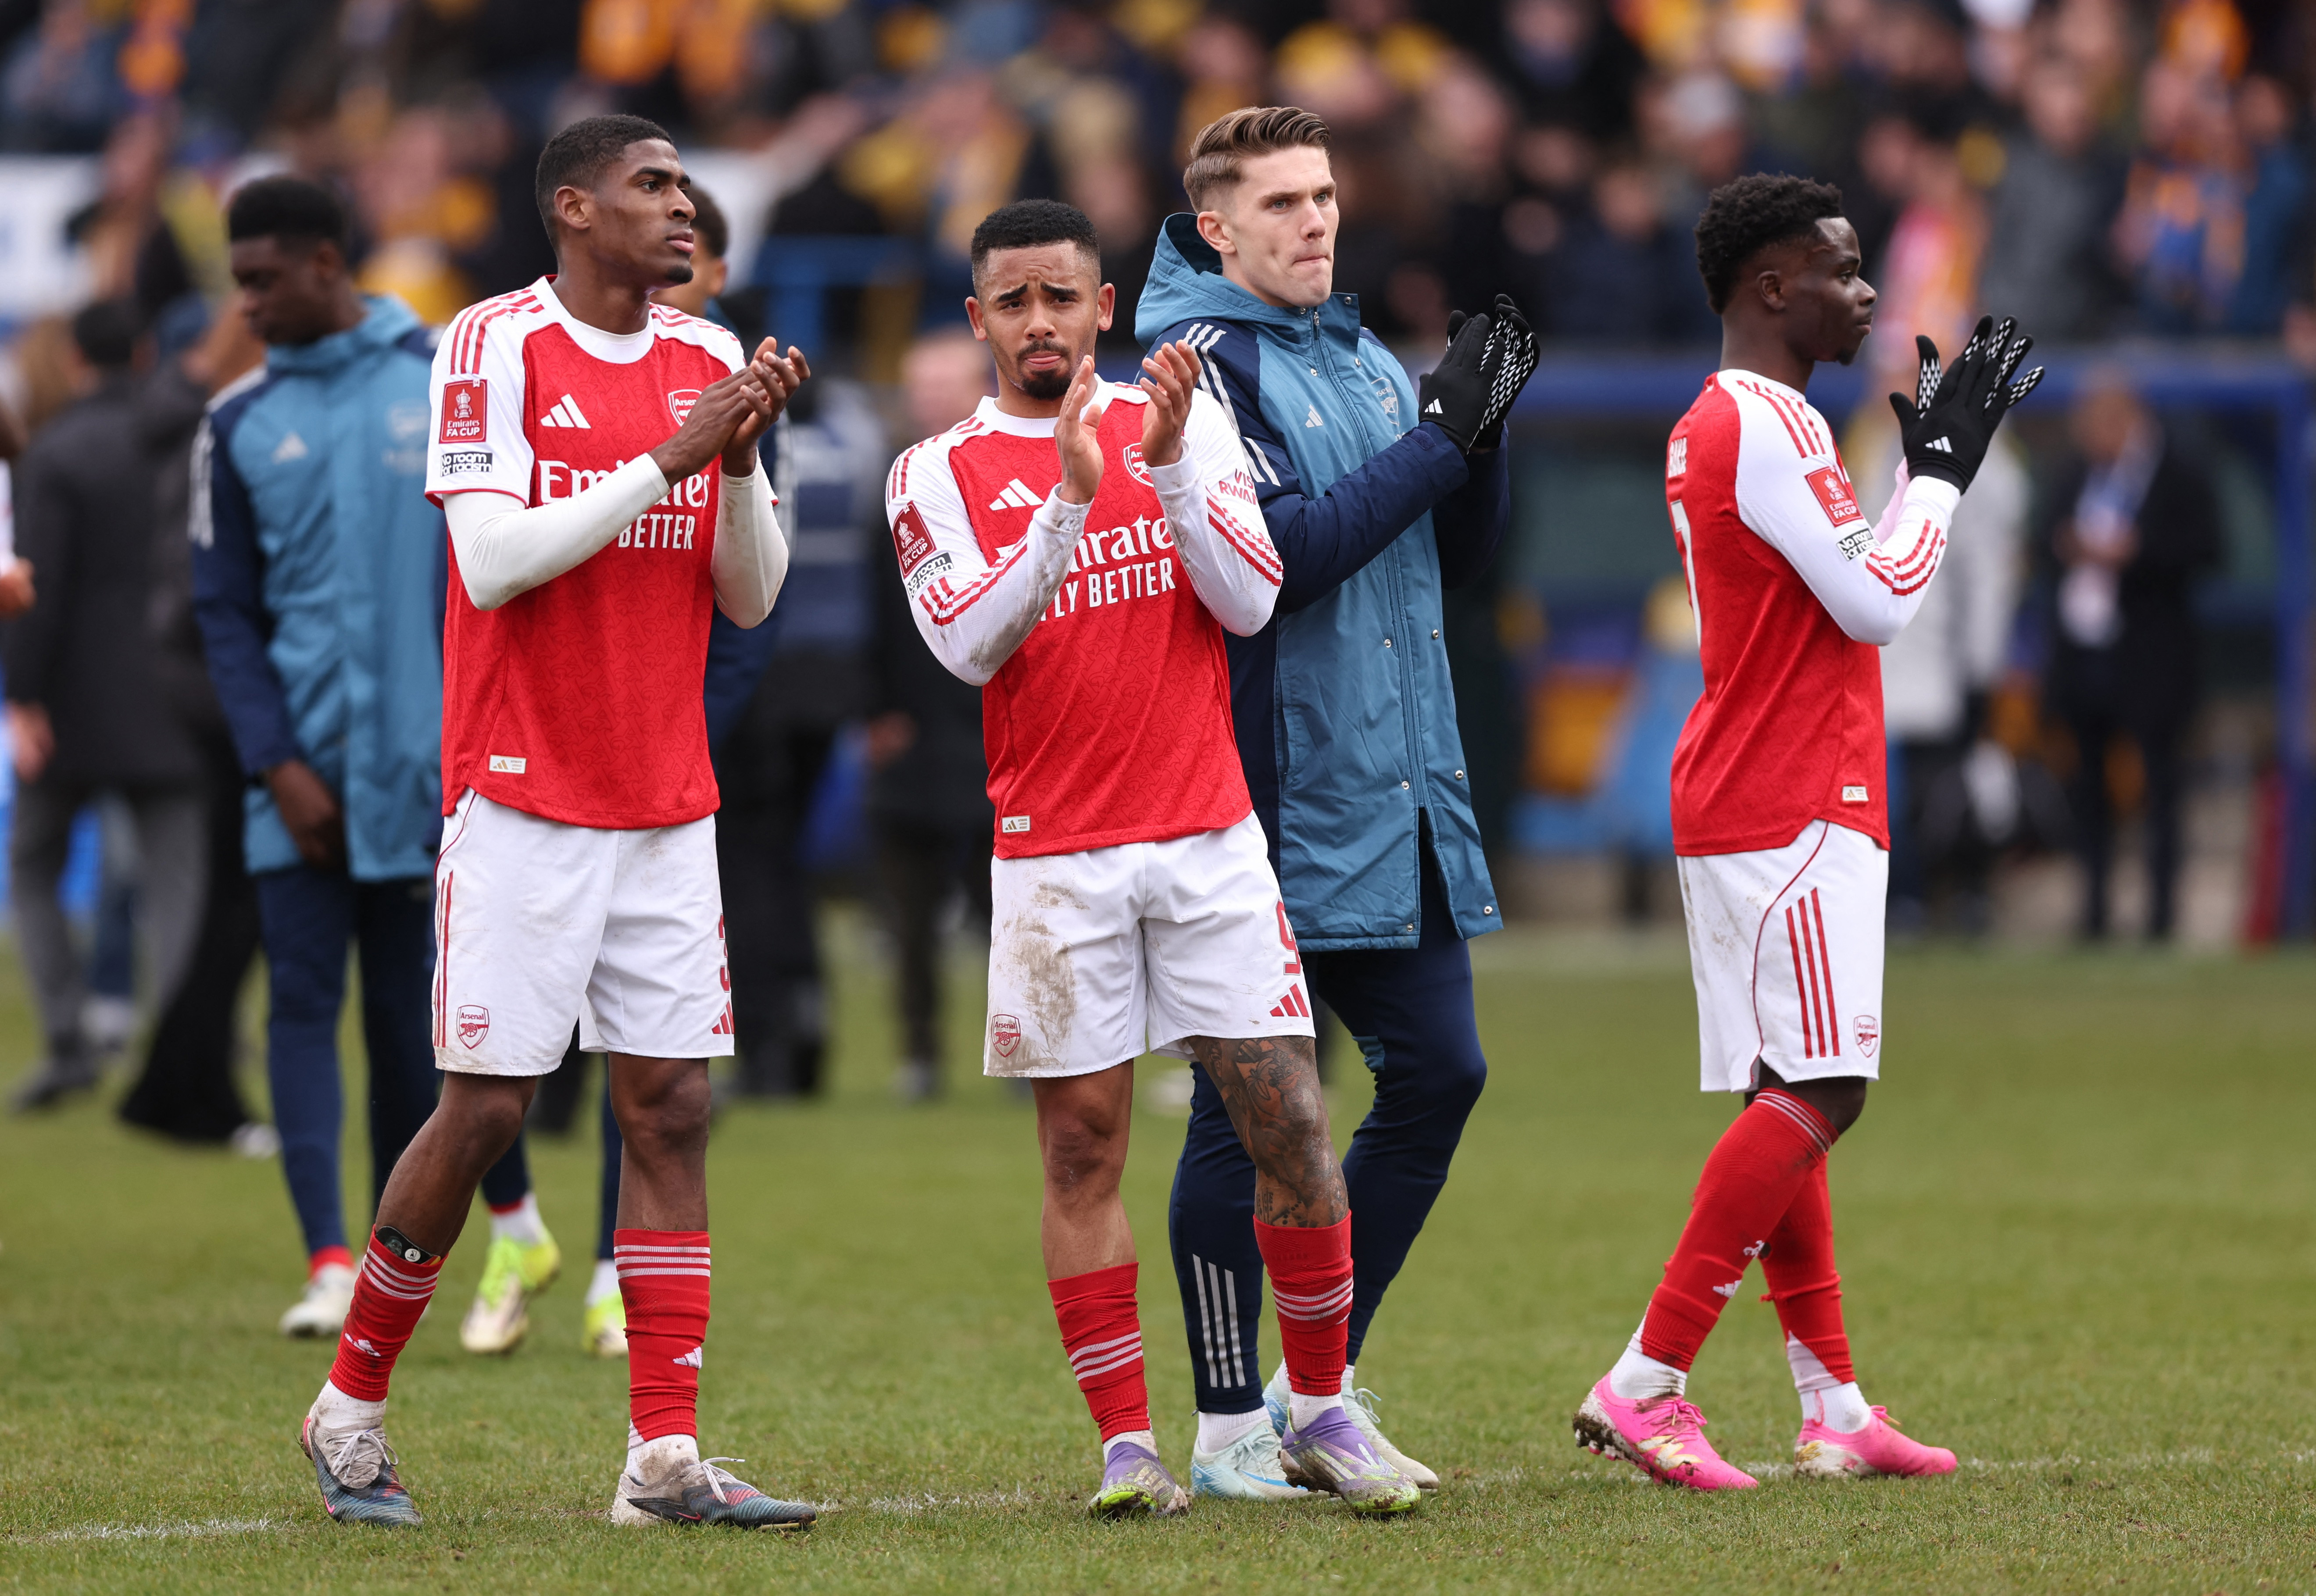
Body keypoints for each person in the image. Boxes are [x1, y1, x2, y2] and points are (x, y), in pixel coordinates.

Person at [293, 114, 808, 1532]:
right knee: (488, 1107)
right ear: (573, 208)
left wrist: (744, 459)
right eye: (651, 186)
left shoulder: (711, 364)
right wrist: (669, 460)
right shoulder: (492, 345)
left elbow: (751, 594)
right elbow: (494, 556)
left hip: (665, 799)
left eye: (687, 185)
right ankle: (347, 1408)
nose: (682, 205)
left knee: (673, 1107)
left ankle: (662, 1458)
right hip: (523, 795)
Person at [886, 197, 1417, 1518]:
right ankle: (1128, 1446)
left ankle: (1322, 1412)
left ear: (1103, 305)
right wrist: (1067, 505)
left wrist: (1171, 468)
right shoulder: (933, 472)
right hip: (1056, 862)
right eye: (1011, 302)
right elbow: (968, 646)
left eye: (1061, 296)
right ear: (978, 321)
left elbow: (1247, 600)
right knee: (1083, 1153)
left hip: (1205, 839)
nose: (1039, 322)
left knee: (1293, 1122)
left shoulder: (1183, 417)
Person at [1570, 173, 2039, 1488]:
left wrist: (1910, 479)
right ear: (1772, 286)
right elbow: (1883, 599)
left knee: (1792, 1089)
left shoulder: (1736, 419)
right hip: (1789, 793)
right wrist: (1938, 477)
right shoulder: (1764, 426)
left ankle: (1833, 1403)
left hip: (1753, 782)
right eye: (1843, 269)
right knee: (1828, 1089)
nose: (1868, 292)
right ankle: (1648, 1378)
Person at [1135, 105, 1528, 1498]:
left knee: (1442, 1075)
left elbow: (1449, 557)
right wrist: (1433, 446)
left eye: (1326, 198)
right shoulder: (1193, 374)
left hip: (1403, 792)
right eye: (1286, 204)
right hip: (1275, 797)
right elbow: (1284, 560)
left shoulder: (1358, 351)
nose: (1317, 223)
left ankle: (1318, 1386)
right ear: (1218, 230)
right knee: (1243, 1117)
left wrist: (1482, 437)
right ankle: (1232, 1422)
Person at [194, 177, 556, 1340]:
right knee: (300, 1002)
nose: (246, 304)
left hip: (436, 775)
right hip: (295, 781)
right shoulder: (236, 424)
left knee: (416, 1024)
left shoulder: (445, 377)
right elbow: (224, 617)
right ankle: (324, 1259)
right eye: (237, 281)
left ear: (328, 263)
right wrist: (275, 764)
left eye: (263, 279)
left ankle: (433, 1258)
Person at [6, 299, 206, 1112]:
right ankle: (189, 1053)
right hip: (176, 696)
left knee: (29, 864)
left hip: (73, 702)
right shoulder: (187, 440)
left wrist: (22, 697)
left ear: (76, 362)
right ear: (147, 350)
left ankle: (67, 1039)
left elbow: (34, 589)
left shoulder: (56, 449)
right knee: (180, 887)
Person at [2037, 374, 2220, 941]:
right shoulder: (2074, 473)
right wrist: (2067, 545)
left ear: (2128, 422)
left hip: (2152, 660)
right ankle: (2094, 916)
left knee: (2161, 791)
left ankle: (2161, 918)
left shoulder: (2179, 474)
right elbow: (2043, 536)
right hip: (2085, 656)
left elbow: (2209, 550)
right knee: (2089, 790)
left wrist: (2135, 554)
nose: (2092, 439)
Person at [865, 328, 995, 1102]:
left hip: (995, 730)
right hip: (911, 733)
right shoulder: (897, 487)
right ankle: (919, 1054)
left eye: (944, 386)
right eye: (921, 387)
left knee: (1005, 909)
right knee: (907, 913)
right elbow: (874, 613)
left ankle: (1025, 1047)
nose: (931, 401)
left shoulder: (1016, 477)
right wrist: (876, 708)